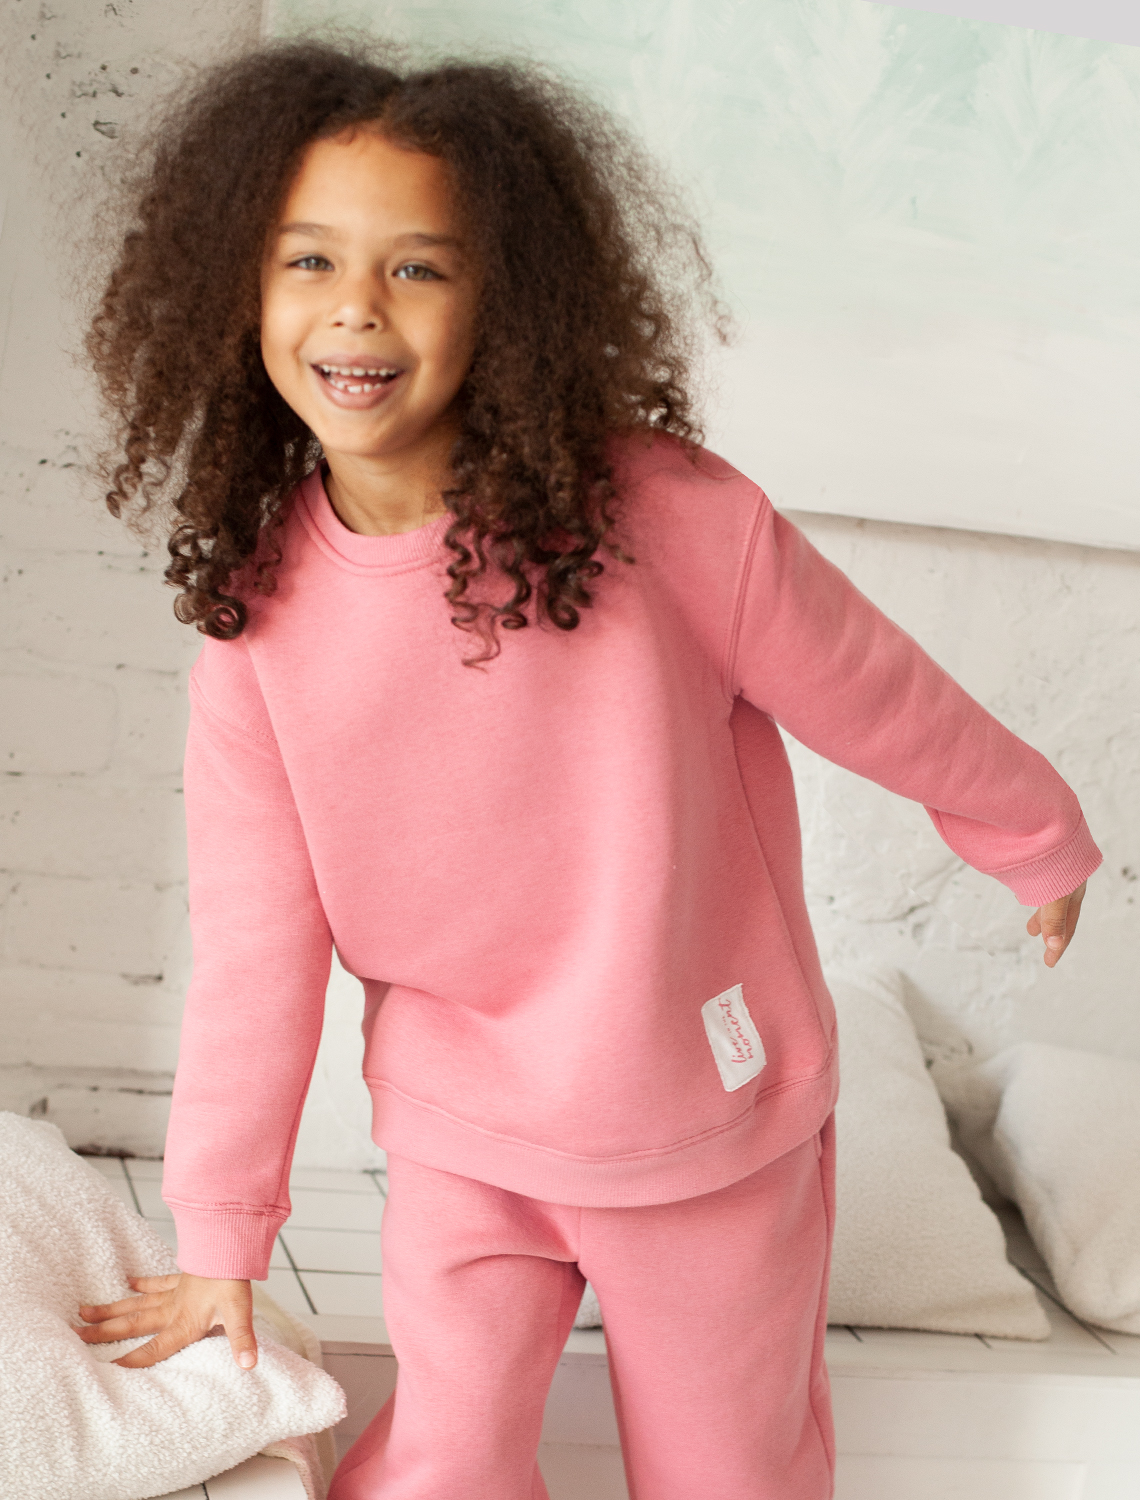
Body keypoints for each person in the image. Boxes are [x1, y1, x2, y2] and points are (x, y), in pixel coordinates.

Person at [73, 38, 1099, 1500]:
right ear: (236, 290)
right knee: (445, 1462)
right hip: (463, 1136)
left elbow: (872, 687)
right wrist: (221, 1238)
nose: (355, 306)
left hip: (704, 1116)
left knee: (728, 1473)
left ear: (507, 300)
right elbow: (255, 954)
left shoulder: (669, 520)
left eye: (417, 268)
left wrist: (1029, 829)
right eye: (308, 260)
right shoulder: (259, 628)